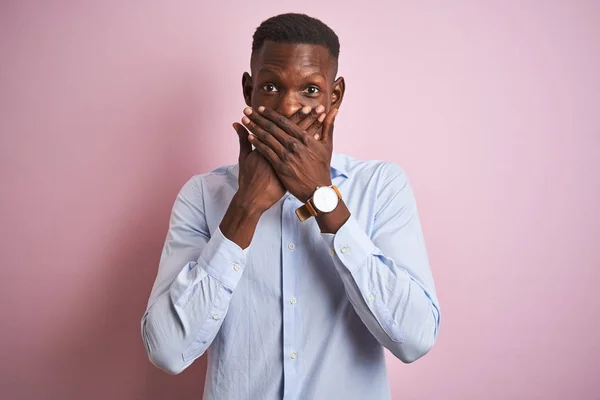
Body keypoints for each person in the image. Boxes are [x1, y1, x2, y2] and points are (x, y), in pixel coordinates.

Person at [141, 13, 440, 400]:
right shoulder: (202, 196)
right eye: (270, 86)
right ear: (249, 91)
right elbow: (167, 351)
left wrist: (322, 196)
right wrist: (244, 209)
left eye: (311, 91)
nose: (287, 107)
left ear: (335, 96)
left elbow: (414, 339)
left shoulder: (381, 187)